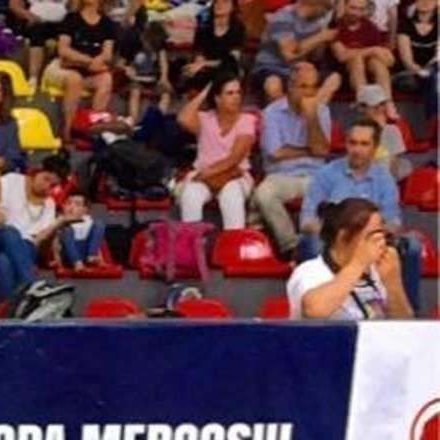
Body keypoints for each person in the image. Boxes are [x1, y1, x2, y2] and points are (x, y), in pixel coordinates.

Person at [297, 116, 423, 311]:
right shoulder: (326, 174)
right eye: (352, 143)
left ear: (375, 147)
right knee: (311, 242)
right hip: (334, 240)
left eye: (364, 144)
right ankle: (320, 303)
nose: (357, 149)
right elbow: (307, 220)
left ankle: (408, 314)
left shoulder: (384, 178)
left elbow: (393, 222)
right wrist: (339, 234)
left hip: (372, 239)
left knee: (412, 245)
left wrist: (369, 237)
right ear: (346, 144)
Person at [252, 62, 335, 257]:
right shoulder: (272, 112)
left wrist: (312, 116)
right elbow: (276, 152)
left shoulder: (321, 110)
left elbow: (322, 150)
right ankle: (291, 246)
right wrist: (310, 150)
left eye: (313, 87)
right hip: (281, 175)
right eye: (303, 87)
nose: (309, 93)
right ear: (290, 86)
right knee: (263, 194)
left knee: (340, 192)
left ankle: (325, 250)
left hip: (315, 175)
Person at [287, 195, 412, 317]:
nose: (381, 242)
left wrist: (393, 282)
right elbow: (315, 312)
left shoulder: (378, 268)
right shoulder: (309, 272)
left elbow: (405, 324)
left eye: (382, 234)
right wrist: (359, 263)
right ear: (342, 237)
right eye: (372, 236)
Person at [0, 155, 71, 303]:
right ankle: (32, 287)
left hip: (26, 247)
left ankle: (10, 308)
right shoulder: (12, 180)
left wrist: (57, 226)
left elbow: (39, 244)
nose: (46, 187)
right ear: (38, 171)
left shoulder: (49, 204)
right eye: (46, 179)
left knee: (3, 261)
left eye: (52, 185)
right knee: (10, 231)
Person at [175, 75, 257, 228]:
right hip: (203, 175)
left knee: (231, 195)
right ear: (217, 98)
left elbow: (234, 158)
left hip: (234, 175)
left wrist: (207, 173)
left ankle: (233, 241)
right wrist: (206, 91)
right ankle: (193, 240)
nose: (236, 97)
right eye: (230, 93)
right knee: (190, 195)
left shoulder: (247, 120)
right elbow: (182, 118)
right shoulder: (205, 118)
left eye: (238, 92)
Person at [44, 0, 118, 142]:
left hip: (87, 71)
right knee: (74, 78)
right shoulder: (71, 19)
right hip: (62, 68)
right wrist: (88, 61)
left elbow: (107, 54)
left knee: (106, 79)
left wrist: (95, 63)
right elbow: (63, 50)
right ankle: (67, 130)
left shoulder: (107, 24)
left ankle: (94, 128)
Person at [253, 0, 335, 100]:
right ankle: (283, 109)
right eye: (325, 9)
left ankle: (311, 107)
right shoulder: (284, 17)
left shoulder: (316, 21)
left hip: (300, 68)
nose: (325, 14)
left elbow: (316, 57)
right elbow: (289, 56)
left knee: (333, 78)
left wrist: (321, 42)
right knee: (273, 85)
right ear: (315, 6)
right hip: (272, 67)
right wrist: (319, 38)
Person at [330, 0, 399, 118]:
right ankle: (364, 103)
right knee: (356, 60)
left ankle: (388, 103)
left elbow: (389, 61)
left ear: (366, 10)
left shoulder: (370, 27)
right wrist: (372, 50)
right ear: (344, 6)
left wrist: (378, 53)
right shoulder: (335, 26)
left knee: (377, 63)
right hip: (341, 74)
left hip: (367, 72)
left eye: (361, 9)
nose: (356, 13)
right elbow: (341, 56)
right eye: (353, 8)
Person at [180, 0, 246, 89]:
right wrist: (199, 60)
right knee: (187, 71)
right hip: (204, 67)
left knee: (225, 73)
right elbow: (198, 49)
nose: (219, 5)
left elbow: (232, 60)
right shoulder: (204, 26)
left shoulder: (238, 29)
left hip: (225, 68)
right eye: (216, 2)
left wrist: (205, 63)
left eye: (225, 2)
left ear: (233, 7)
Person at [356, 83, 409, 177]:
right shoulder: (356, 131)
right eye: (375, 106)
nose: (380, 108)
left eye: (382, 104)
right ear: (362, 108)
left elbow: (394, 166)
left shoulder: (391, 130)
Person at [396, 0, 437, 114]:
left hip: (432, 70)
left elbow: (437, 57)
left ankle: (433, 120)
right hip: (409, 72)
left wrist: (429, 72)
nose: (425, 2)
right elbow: (407, 60)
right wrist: (421, 72)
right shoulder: (405, 24)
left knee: (434, 79)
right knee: (432, 81)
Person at [54, 190, 106, 268]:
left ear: (85, 209)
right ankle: (77, 262)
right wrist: (59, 264)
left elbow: (97, 242)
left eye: (77, 204)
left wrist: (100, 259)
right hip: (67, 255)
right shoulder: (61, 220)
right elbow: (55, 246)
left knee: (99, 224)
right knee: (67, 230)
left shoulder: (88, 221)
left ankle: (91, 256)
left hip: (85, 251)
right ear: (63, 206)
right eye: (68, 203)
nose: (72, 207)